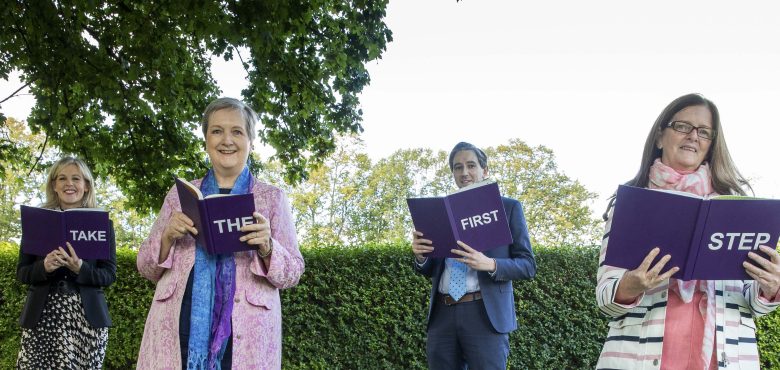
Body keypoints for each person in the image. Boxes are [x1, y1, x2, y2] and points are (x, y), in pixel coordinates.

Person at [596, 93, 780, 369]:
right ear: (660, 136)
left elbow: (756, 305)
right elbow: (605, 298)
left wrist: (771, 287)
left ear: (711, 144)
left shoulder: (739, 207)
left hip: (724, 358)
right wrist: (630, 286)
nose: (693, 136)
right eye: (682, 126)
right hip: (640, 357)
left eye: (704, 132)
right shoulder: (630, 205)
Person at [135, 97, 304, 369]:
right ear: (206, 140)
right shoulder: (180, 195)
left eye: (237, 131)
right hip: (180, 325)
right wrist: (166, 236)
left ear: (251, 141)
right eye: (217, 131)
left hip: (245, 332)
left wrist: (268, 247)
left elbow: (293, 272)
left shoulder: (272, 198)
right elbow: (146, 267)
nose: (227, 140)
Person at [411, 141, 536, 370]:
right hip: (442, 316)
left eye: (471, 165)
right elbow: (430, 268)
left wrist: (490, 264)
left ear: (484, 170)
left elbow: (528, 265)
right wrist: (421, 257)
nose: (464, 172)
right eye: (458, 167)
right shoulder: (439, 212)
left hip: (484, 315)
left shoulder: (507, 208)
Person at [16, 156, 117, 369]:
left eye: (76, 178)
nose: (69, 183)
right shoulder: (36, 222)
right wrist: (43, 267)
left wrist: (81, 268)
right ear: (54, 185)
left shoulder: (102, 224)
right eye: (62, 178)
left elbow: (109, 275)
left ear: (86, 186)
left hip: (87, 321)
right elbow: (22, 273)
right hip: (41, 319)